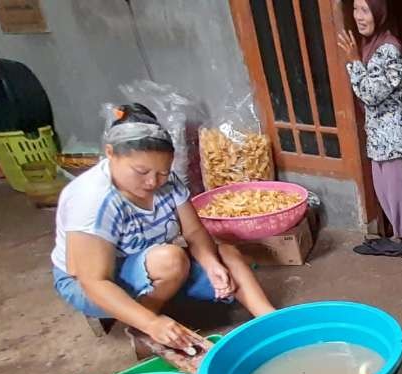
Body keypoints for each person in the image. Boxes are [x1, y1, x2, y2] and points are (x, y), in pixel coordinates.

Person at [50, 103, 276, 349]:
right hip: (90, 283)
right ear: (111, 153)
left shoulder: (166, 181)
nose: (152, 182)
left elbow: (193, 232)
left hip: (151, 265)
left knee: (226, 254)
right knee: (170, 260)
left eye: (162, 173)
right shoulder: (92, 199)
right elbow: (93, 281)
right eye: (141, 171)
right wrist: (151, 323)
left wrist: (211, 265)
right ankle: (143, 322)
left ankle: (272, 320)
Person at [337, 0, 402, 241]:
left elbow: (371, 94)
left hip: (395, 139)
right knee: (392, 200)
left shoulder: (389, 49)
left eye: (365, 10)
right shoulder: (371, 46)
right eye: (356, 9)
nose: (358, 16)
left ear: (379, 13)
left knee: (399, 203)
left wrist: (354, 61)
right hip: (380, 140)